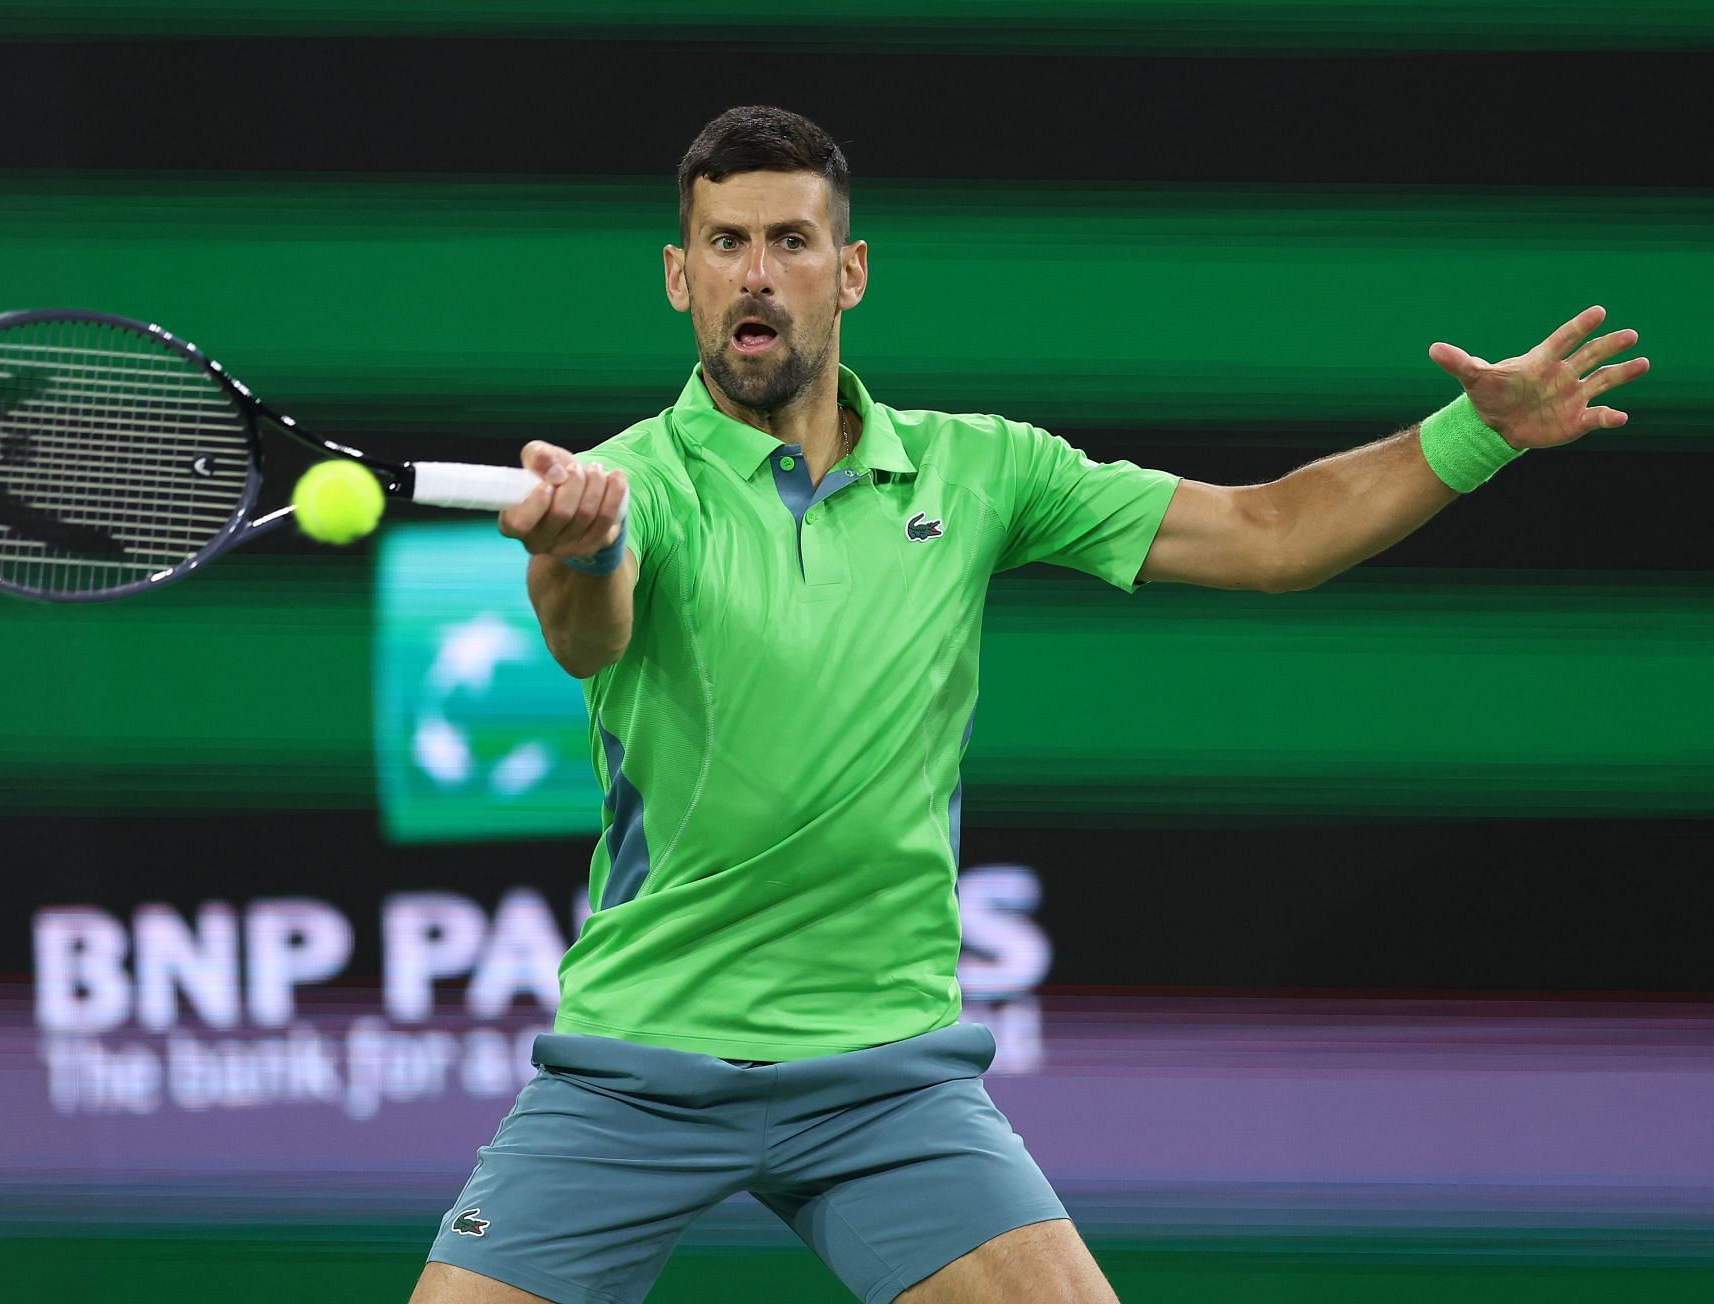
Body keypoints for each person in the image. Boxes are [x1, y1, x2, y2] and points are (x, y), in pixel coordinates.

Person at [409, 106, 1650, 1304]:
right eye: (727, 243)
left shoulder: (983, 469)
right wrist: (572, 547)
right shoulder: (629, 482)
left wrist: (1474, 436)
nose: (757, 274)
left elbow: (1269, 534)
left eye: (791, 241)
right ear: (679, 276)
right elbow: (589, 636)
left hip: (886, 1079)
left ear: (850, 272)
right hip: (641, 1066)